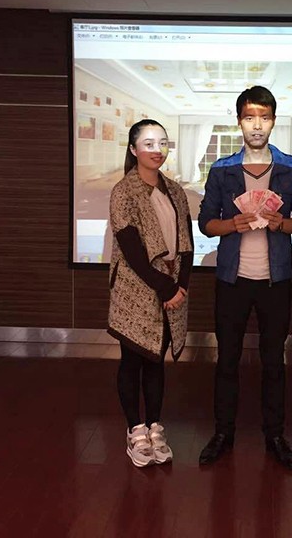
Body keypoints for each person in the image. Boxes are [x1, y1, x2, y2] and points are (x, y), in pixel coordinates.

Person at [197, 86, 292, 470]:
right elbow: (206, 222)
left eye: (264, 117)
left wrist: (284, 224)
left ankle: (275, 435)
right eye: (250, 117)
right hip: (231, 280)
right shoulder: (222, 169)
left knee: (274, 361)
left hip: (275, 281)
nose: (257, 125)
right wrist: (233, 223)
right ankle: (223, 433)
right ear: (239, 122)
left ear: (274, 121)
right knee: (226, 361)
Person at [108, 119, 194, 467]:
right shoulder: (123, 191)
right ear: (133, 149)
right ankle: (135, 430)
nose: (157, 150)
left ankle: (155, 427)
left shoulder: (175, 190)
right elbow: (131, 250)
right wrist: (166, 287)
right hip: (136, 287)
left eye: (162, 143)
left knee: (156, 359)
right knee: (133, 358)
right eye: (148, 143)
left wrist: (181, 285)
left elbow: (186, 242)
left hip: (172, 286)